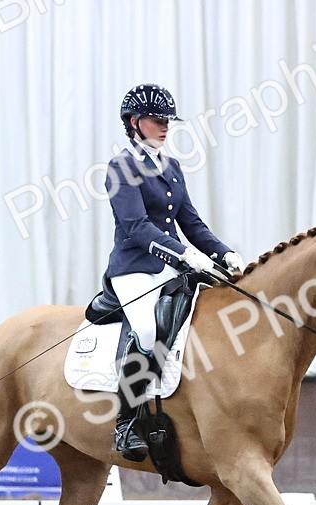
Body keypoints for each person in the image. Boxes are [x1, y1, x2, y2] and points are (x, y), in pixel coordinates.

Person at [104, 83, 245, 461]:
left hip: (170, 267)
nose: (165, 126)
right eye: (157, 120)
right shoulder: (121, 168)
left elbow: (191, 222)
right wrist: (183, 254)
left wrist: (223, 253)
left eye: (168, 120)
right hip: (134, 268)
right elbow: (135, 225)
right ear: (134, 123)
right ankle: (127, 422)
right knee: (149, 330)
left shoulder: (171, 166)